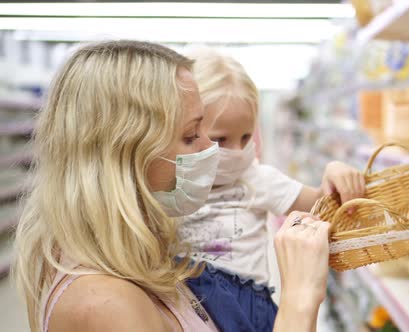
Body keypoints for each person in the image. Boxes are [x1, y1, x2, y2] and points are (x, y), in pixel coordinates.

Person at [12, 40, 332, 332]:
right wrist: (300, 299)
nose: (210, 149)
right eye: (192, 135)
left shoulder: (137, 254)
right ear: (127, 155)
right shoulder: (108, 306)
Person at [178, 47, 365, 332]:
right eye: (221, 139)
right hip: (189, 306)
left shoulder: (256, 178)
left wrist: (335, 173)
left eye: (245, 137)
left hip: (250, 308)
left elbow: (321, 205)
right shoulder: (172, 185)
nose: (238, 151)